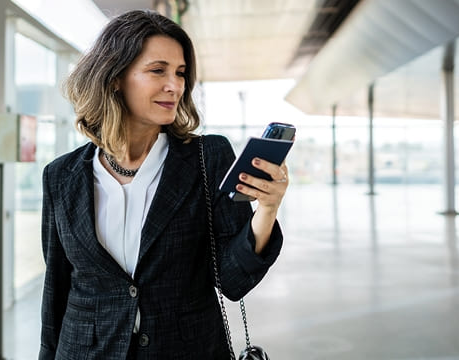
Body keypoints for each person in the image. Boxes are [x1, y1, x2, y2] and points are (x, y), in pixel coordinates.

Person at [39, 10, 288, 360]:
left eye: (181, 73)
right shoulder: (60, 176)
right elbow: (57, 291)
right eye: (158, 71)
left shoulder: (208, 157)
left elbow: (233, 281)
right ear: (114, 78)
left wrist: (267, 209)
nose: (175, 85)